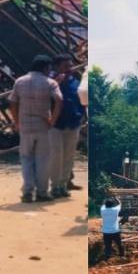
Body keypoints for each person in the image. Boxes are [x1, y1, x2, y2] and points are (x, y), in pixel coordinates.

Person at [8, 54, 62, 203]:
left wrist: (16, 121)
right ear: (46, 67)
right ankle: (42, 192)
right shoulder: (50, 83)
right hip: (43, 126)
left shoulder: (20, 81)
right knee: (43, 160)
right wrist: (53, 119)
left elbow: (12, 102)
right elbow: (59, 100)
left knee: (26, 159)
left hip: (25, 126)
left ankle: (27, 192)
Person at [48, 54, 82, 199]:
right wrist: (55, 83)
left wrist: (82, 117)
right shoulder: (50, 82)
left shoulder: (75, 82)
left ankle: (63, 185)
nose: (69, 69)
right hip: (55, 125)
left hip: (73, 124)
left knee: (68, 157)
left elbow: (81, 100)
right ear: (56, 67)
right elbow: (43, 98)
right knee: (56, 157)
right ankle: (55, 186)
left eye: (70, 66)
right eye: (65, 66)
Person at [101, 196, 125, 260]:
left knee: (107, 246)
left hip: (106, 232)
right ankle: (122, 255)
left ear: (106, 205)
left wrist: (107, 197)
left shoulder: (102, 210)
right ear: (112, 205)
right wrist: (115, 198)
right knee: (119, 244)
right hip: (115, 231)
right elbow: (120, 203)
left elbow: (103, 204)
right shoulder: (115, 210)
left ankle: (107, 258)